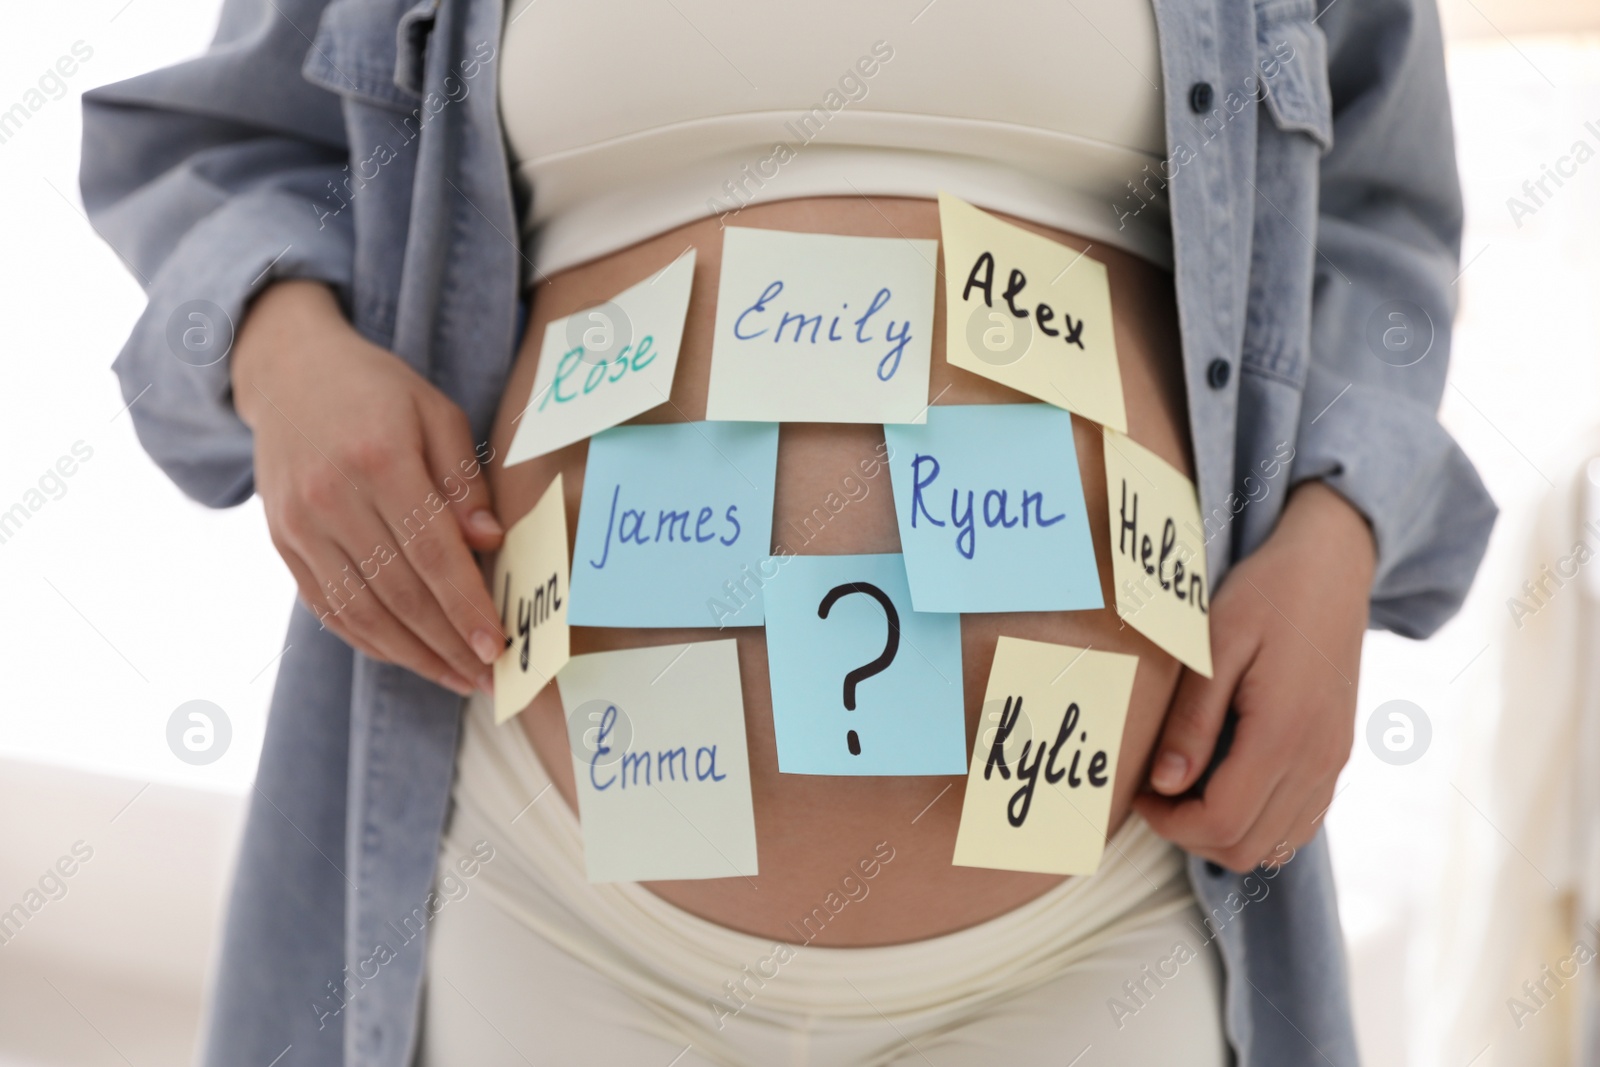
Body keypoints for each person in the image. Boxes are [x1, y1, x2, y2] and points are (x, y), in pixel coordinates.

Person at [80, 0, 1494, 1063]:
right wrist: (282, 354)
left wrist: (1340, 525)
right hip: (544, 902)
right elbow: (231, 149)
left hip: (1101, 921)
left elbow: (1379, 222)